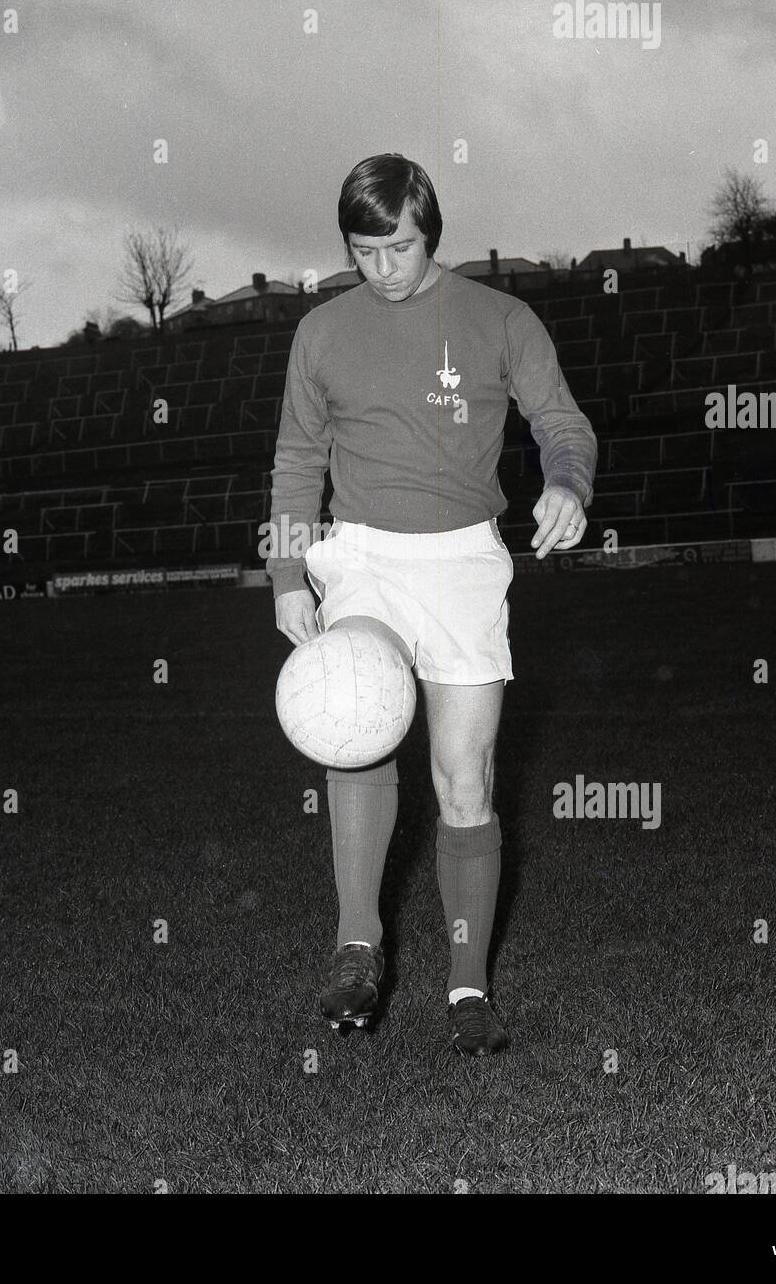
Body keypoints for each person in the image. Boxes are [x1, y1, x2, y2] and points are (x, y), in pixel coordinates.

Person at [266, 154, 597, 1055]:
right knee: (354, 724)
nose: (382, 268)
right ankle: (355, 946)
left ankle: (465, 986)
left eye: (399, 247)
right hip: (364, 553)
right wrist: (289, 577)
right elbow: (297, 462)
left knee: (464, 780)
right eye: (363, 251)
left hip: (460, 561)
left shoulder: (500, 319)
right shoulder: (321, 333)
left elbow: (562, 422)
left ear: (431, 231)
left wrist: (567, 482)